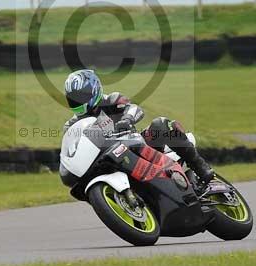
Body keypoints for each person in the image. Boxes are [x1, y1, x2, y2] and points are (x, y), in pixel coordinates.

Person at [62, 69, 214, 185]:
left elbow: (135, 109)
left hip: (138, 146)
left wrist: (127, 120)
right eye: (73, 99)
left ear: (94, 91)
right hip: (107, 160)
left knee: (160, 124)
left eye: (80, 97)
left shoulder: (111, 100)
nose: (77, 102)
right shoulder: (72, 125)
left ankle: (199, 166)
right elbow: (71, 148)